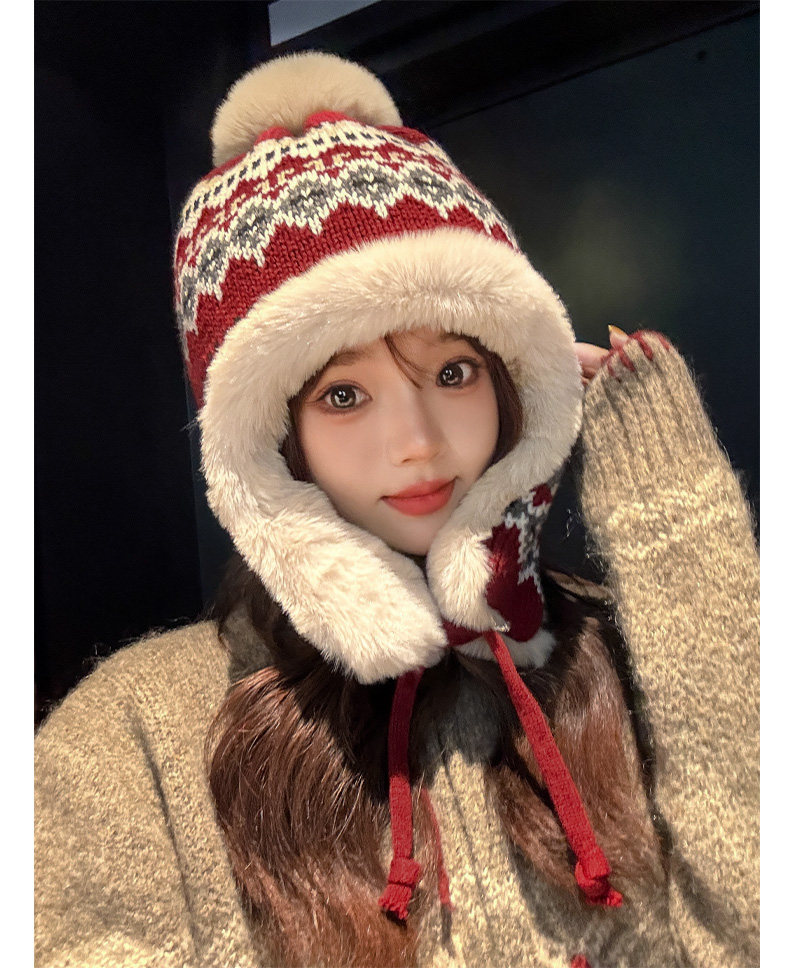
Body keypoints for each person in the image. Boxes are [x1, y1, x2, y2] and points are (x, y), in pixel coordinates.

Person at [34, 52, 759, 968]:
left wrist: (677, 526)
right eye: (344, 395)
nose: (417, 441)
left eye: (454, 371)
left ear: (514, 383)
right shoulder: (128, 743)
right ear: (268, 445)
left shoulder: (618, 652)